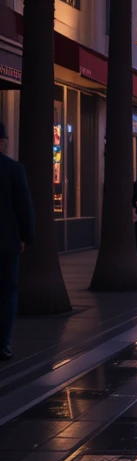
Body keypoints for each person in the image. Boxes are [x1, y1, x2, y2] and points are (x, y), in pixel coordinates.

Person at [0, 122, 35, 360]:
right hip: (6, 240)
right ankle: (4, 342)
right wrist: (25, 235)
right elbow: (24, 206)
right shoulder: (12, 169)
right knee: (7, 291)